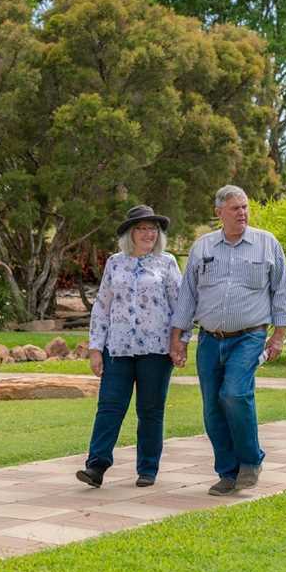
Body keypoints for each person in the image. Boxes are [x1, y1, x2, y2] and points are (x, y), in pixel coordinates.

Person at [169, 185, 286, 496]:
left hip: (249, 336)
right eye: (235, 208)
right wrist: (178, 339)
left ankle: (251, 461)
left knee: (235, 394)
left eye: (245, 207)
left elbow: (281, 291)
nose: (242, 213)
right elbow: (187, 296)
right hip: (209, 339)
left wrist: (278, 336)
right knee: (213, 407)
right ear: (219, 213)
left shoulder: (267, 244)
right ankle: (227, 472)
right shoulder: (202, 247)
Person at [76, 205, 182, 489]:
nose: (148, 233)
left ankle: (147, 469)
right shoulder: (115, 263)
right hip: (118, 349)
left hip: (156, 351)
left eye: (152, 229)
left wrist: (179, 343)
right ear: (130, 233)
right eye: (141, 228)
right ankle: (96, 465)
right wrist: (96, 348)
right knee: (109, 406)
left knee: (150, 409)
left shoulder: (167, 263)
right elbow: (102, 306)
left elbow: (181, 307)